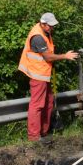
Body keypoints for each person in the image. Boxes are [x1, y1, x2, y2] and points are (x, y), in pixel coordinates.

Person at [18, 12, 78, 141]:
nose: (52, 28)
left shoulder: (45, 32)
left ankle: (44, 133)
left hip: (44, 73)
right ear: (43, 24)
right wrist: (65, 56)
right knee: (37, 104)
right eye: (50, 26)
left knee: (48, 102)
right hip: (37, 74)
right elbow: (48, 56)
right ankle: (34, 136)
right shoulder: (38, 37)